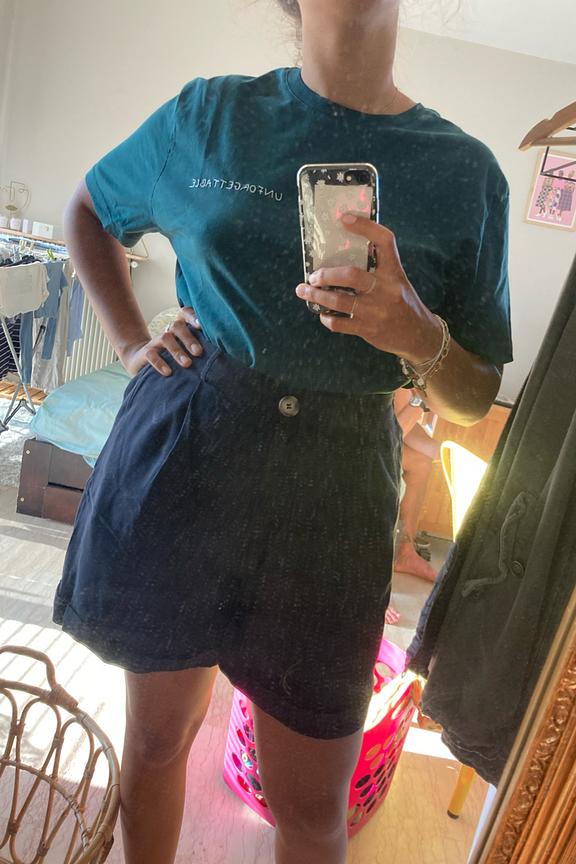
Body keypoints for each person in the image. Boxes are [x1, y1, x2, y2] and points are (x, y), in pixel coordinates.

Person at [53, 2, 513, 863]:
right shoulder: (209, 116)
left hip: (335, 505)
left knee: (310, 806)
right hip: (187, 462)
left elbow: (472, 396)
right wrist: (128, 339)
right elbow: (87, 209)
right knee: (154, 743)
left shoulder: (466, 174)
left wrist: (418, 334)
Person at [394, 387, 441, 582]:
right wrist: (418, 402)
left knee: (421, 463)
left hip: (374, 436)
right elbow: (392, 434)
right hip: (341, 439)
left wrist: (444, 453)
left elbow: (406, 428)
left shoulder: (409, 381)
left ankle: (405, 551)